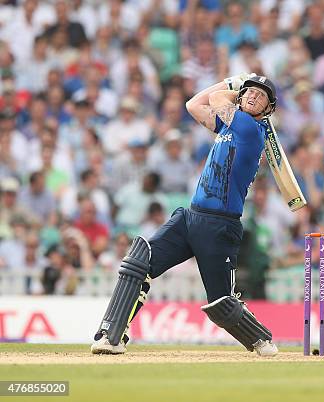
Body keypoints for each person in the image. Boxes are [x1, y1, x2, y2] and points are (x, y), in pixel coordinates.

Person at [90, 73, 279, 357]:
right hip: (191, 216)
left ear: (267, 109)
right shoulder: (230, 127)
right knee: (139, 262)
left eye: (261, 96)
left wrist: (234, 83)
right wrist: (237, 87)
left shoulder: (251, 129)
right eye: (250, 91)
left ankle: (261, 339)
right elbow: (193, 105)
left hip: (220, 225)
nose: (253, 96)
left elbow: (214, 98)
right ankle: (111, 335)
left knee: (221, 304)